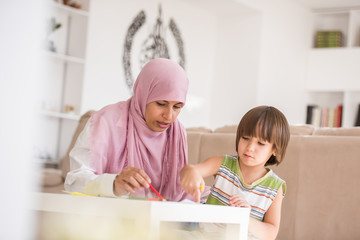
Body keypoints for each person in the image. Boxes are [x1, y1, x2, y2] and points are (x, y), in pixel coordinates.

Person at [64, 58, 190, 202]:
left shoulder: (176, 133)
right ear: (143, 94)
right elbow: (74, 181)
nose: (168, 116)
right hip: (107, 219)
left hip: (159, 220)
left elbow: (182, 194)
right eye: (161, 104)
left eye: (177, 107)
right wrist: (114, 183)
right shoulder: (106, 120)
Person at [180, 106, 290, 239]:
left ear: (275, 150)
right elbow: (192, 169)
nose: (250, 147)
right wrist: (192, 173)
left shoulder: (274, 187)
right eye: (245, 138)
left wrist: (244, 217)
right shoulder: (222, 163)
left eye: (260, 143)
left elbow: (270, 233)